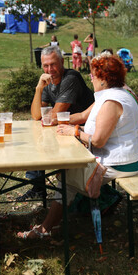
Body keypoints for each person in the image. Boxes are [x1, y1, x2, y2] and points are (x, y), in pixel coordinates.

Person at [17, 53, 138, 239]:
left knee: (67, 175)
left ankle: (45, 229)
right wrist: (59, 121)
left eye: (93, 75)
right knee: (68, 171)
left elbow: (99, 140)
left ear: (103, 78)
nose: (90, 78)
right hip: (124, 159)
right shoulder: (117, 92)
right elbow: (84, 115)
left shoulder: (112, 101)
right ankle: (73, 212)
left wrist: (75, 132)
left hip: (120, 164)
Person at [16, 46, 94, 201]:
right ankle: (38, 187)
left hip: (85, 131)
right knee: (37, 136)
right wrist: (39, 88)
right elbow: (36, 115)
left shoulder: (71, 78)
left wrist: (47, 117)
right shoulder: (47, 83)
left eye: (53, 64)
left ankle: (59, 191)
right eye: (45, 66)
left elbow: (53, 116)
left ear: (62, 62)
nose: (50, 69)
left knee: (41, 140)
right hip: (65, 130)